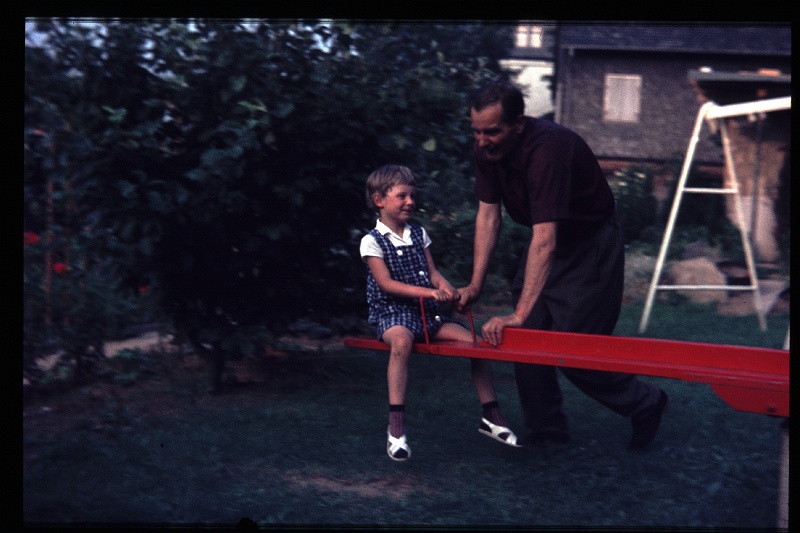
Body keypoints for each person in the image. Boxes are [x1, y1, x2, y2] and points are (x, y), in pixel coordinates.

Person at [456, 81, 669, 450]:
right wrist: (476, 284)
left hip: (589, 242)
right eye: (476, 131)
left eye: (492, 131)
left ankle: (645, 403)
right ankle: (548, 432)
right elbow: (488, 216)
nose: (482, 140)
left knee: (574, 347)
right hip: (549, 241)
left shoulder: (548, 151)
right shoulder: (487, 151)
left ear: (519, 124)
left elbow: (546, 239)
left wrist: (518, 313)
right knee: (522, 340)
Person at [360, 164, 520, 461]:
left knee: (475, 344)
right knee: (402, 342)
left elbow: (433, 274)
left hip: (427, 316)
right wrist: (429, 293)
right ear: (379, 200)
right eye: (402, 196)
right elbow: (387, 284)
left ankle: (491, 416)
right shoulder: (372, 241)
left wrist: (448, 290)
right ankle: (396, 429)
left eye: (412, 196)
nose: (410, 202)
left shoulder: (418, 234)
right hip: (393, 314)